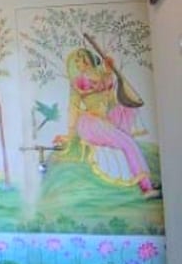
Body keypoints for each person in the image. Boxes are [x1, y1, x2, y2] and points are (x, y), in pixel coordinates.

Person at [58, 47, 160, 199]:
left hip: (106, 119)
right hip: (91, 123)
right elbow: (73, 108)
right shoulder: (78, 82)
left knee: (127, 128)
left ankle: (146, 182)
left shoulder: (105, 75)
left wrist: (110, 72)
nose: (79, 64)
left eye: (82, 59)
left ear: (89, 59)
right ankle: (146, 188)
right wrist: (70, 134)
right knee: (128, 143)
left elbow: (112, 102)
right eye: (77, 61)